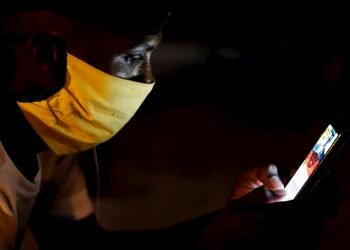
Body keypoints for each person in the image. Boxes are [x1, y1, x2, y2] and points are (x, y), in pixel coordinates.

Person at [0, 1, 340, 250]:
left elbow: (82, 246)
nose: (148, 79)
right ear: (46, 55)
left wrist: (226, 223)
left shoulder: (50, 139)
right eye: (133, 58)